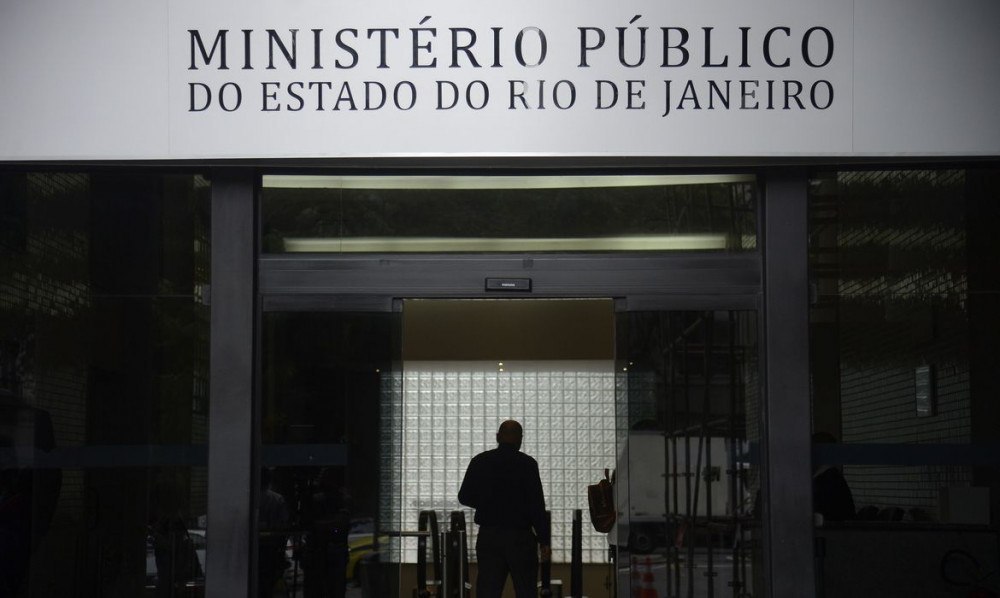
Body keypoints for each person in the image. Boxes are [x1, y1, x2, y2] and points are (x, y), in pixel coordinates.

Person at [458, 420, 551, 598]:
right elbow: (537, 506)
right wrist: (544, 541)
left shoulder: (480, 461)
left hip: (489, 536)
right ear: (520, 440)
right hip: (520, 538)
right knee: (525, 590)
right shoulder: (528, 464)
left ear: (498, 437)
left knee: (488, 591)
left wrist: (487, 503)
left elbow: (464, 496)